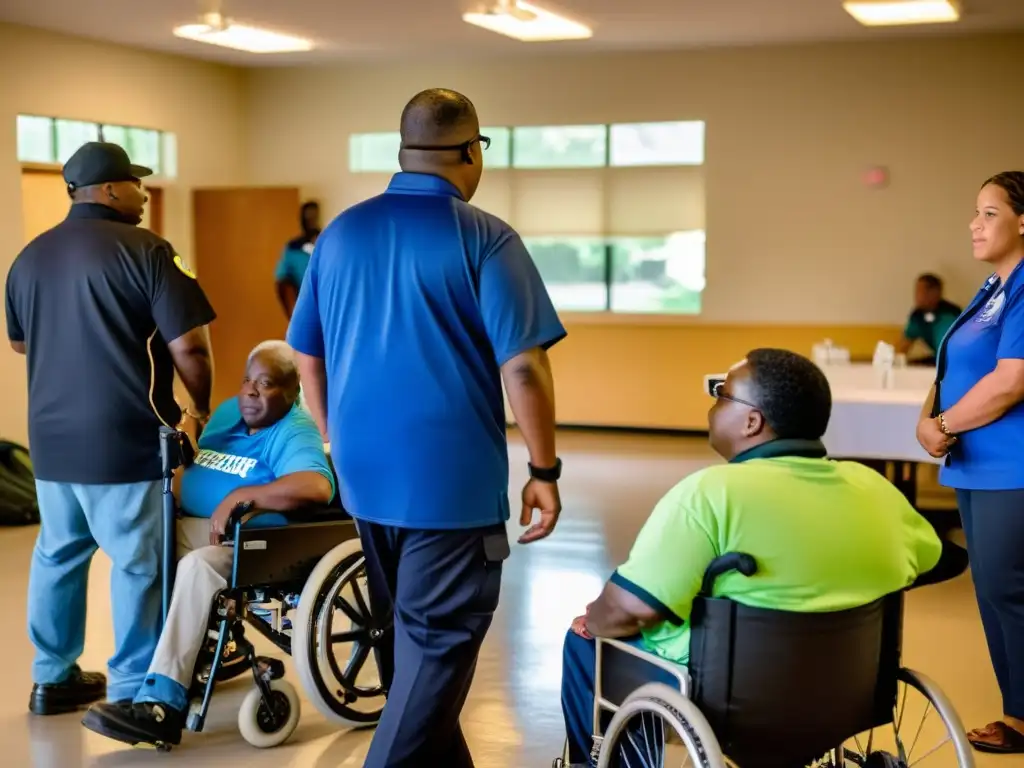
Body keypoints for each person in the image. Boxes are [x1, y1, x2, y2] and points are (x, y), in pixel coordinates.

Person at [287, 88, 565, 767]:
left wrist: (333, 437)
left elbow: (306, 356)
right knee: (436, 650)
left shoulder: (342, 234)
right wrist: (545, 470)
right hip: (449, 488)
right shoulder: (485, 237)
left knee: (413, 649)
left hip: (365, 479)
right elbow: (523, 369)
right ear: (471, 151)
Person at [561, 349, 947, 766]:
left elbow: (628, 610)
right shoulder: (874, 490)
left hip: (731, 698)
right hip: (850, 689)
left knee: (585, 644)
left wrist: (595, 621)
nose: (712, 406)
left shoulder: (711, 495)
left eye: (720, 394)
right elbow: (937, 561)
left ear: (752, 421)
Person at [4, 142, 216, 715]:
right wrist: (200, 407)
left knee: (58, 555)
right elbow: (191, 346)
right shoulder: (149, 252)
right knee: (139, 562)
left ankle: (53, 678)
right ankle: (131, 686)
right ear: (111, 189)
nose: (145, 195)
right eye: (137, 184)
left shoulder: (29, 257)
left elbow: (22, 343)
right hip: (124, 439)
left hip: (51, 445)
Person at [80, 340, 335, 748]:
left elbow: (317, 486)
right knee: (139, 548)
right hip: (200, 526)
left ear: (291, 391)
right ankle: (141, 676)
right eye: (247, 380)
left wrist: (241, 497)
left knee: (197, 568)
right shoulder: (229, 413)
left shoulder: (294, 429)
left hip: (254, 544)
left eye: (265, 383)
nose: (250, 391)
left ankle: (161, 705)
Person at [917, 171, 1024, 754]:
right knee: (993, 591)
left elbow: (1010, 382)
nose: (973, 223)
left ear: (1023, 221)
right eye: (975, 212)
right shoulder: (994, 288)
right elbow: (956, 363)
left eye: (988, 213)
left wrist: (942, 425)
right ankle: (1016, 712)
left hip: (1014, 466)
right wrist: (927, 416)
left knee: (1012, 591)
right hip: (976, 465)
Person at [896, 273, 962, 363]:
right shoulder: (917, 316)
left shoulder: (949, 315)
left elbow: (945, 352)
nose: (917, 295)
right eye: (916, 291)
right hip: (939, 360)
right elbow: (903, 347)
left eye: (921, 291)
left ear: (936, 292)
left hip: (955, 362)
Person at [275, 201, 321, 319]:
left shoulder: (329, 243)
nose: (310, 221)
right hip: (304, 305)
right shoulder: (293, 248)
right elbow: (281, 279)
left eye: (313, 216)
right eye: (307, 216)